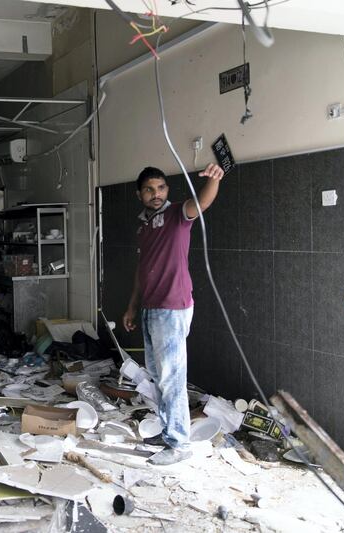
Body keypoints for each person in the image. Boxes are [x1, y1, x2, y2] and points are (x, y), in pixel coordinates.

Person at [122, 163, 225, 466]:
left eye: (161, 188)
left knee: (172, 377)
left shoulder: (177, 215)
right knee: (158, 375)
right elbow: (142, 271)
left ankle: (179, 443)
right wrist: (132, 305)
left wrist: (214, 180)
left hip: (172, 307)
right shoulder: (143, 225)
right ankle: (168, 430)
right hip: (150, 307)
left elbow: (202, 203)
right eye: (150, 190)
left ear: (168, 190)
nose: (156, 194)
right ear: (139, 194)